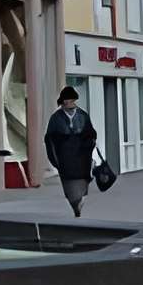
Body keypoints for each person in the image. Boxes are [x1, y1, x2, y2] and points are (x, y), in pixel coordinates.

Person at [44, 86, 99, 217]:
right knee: (70, 185)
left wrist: (89, 144)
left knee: (82, 182)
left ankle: (80, 202)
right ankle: (75, 205)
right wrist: (55, 159)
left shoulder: (82, 115)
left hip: (82, 158)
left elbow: (91, 133)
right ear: (64, 101)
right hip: (65, 159)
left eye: (74, 101)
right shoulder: (56, 118)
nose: (73, 103)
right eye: (71, 100)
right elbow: (49, 139)